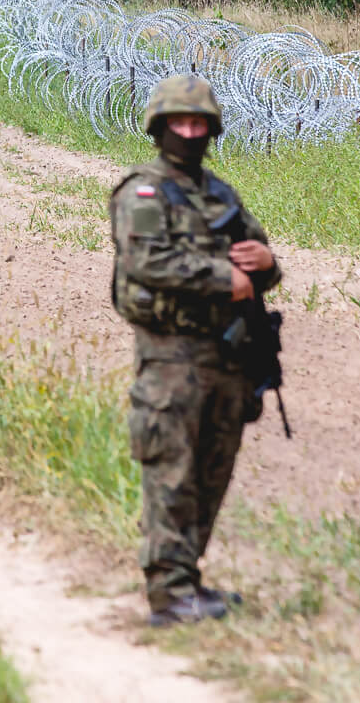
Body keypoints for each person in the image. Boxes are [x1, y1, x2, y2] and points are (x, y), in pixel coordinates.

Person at [108, 74, 281, 627]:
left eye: (198, 123)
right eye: (179, 123)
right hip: (171, 358)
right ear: (159, 128)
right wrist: (222, 278)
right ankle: (168, 591)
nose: (189, 132)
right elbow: (146, 262)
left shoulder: (221, 194)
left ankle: (188, 580)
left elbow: (257, 255)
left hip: (226, 358)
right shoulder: (142, 192)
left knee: (212, 472)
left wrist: (267, 265)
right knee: (172, 474)